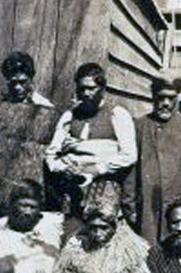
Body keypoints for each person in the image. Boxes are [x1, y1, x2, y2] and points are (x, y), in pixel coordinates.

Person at [0, 52, 59, 225]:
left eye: (22, 82)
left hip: (30, 184)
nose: (18, 87)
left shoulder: (45, 110)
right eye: (13, 82)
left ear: (31, 80)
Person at [123, 77, 181, 246]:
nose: (166, 103)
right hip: (146, 210)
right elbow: (130, 169)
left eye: (171, 98)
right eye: (161, 98)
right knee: (149, 254)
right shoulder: (140, 126)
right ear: (153, 97)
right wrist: (129, 205)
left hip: (179, 213)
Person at [46, 63, 136, 218]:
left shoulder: (117, 114)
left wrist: (97, 168)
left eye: (91, 88)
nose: (86, 93)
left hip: (105, 186)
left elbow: (129, 155)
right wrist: (62, 168)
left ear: (102, 89)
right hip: (71, 185)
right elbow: (51, 154)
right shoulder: (70, 116)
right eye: (81, 89)